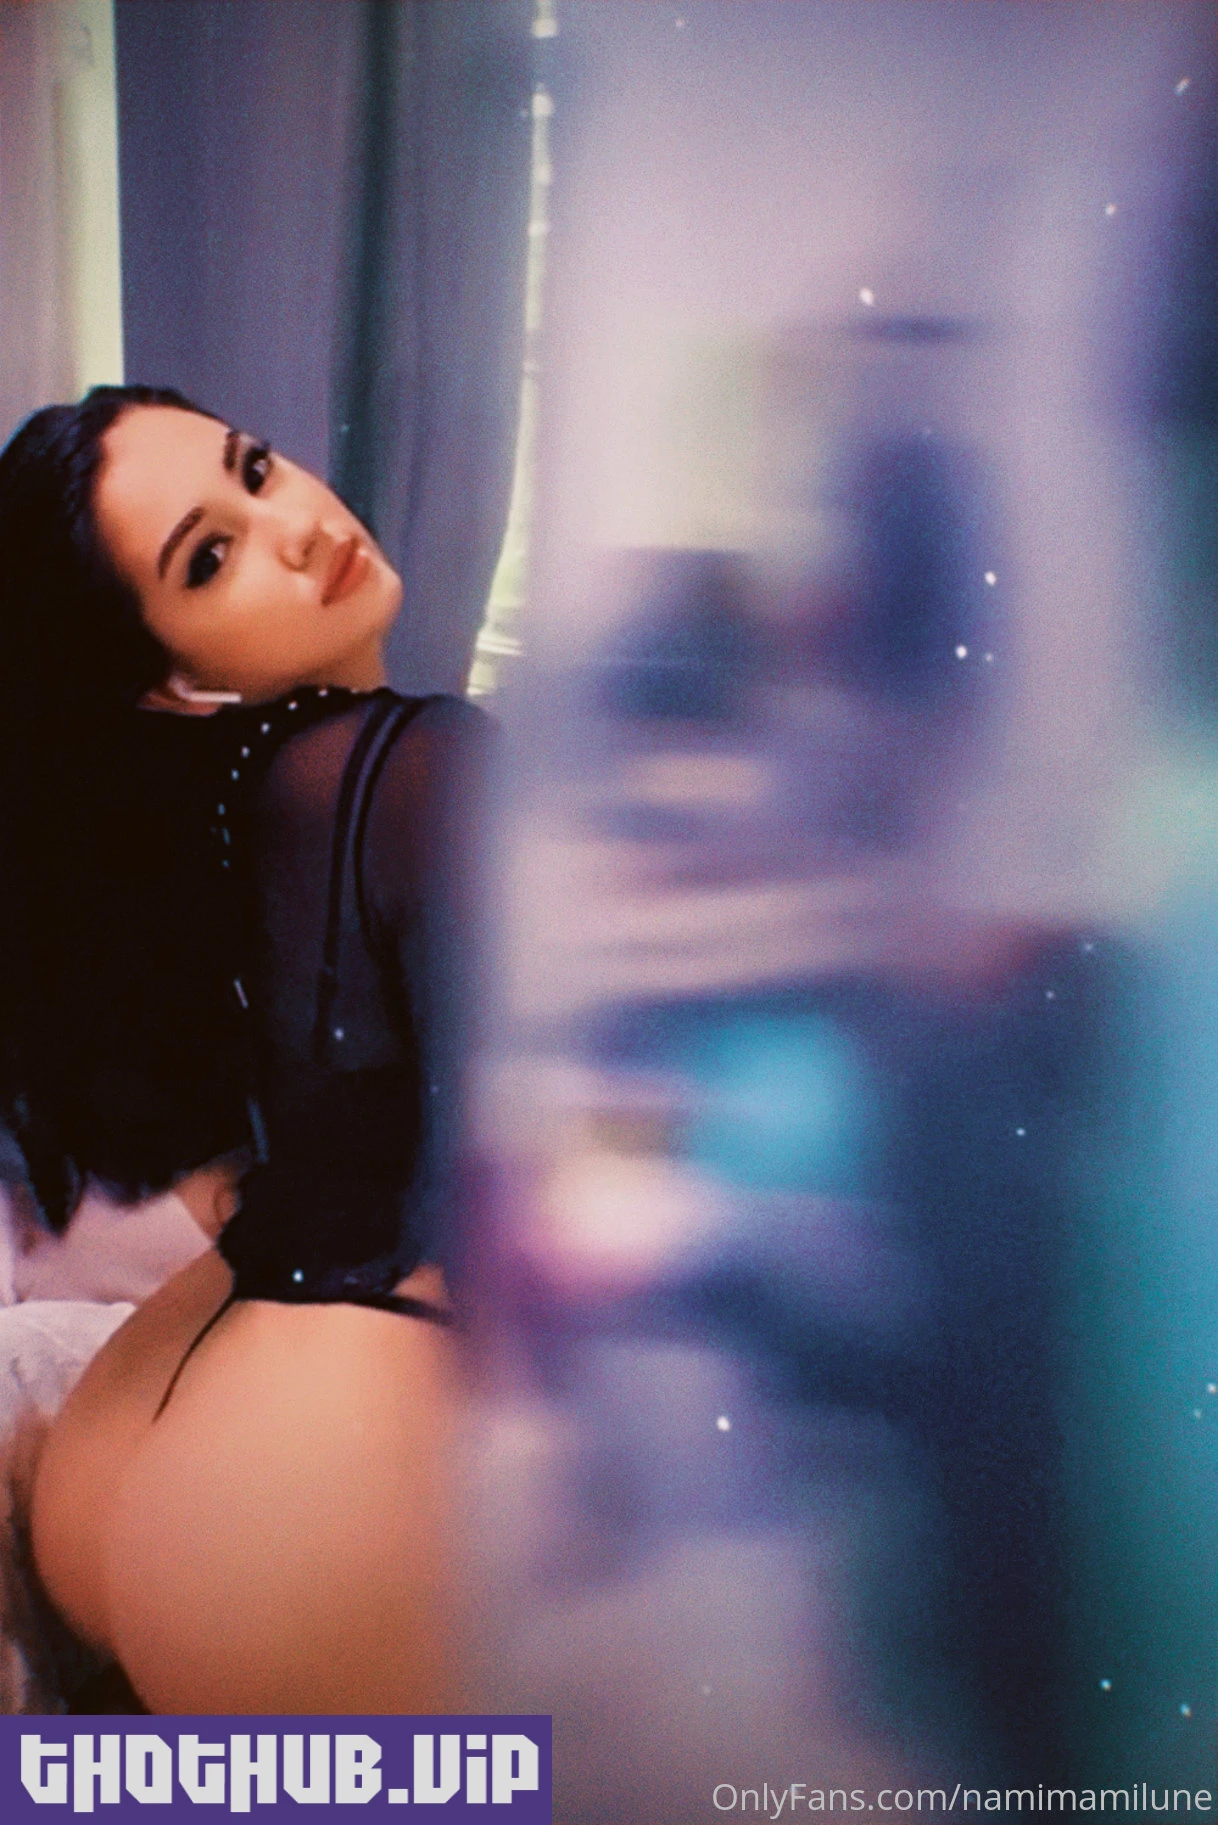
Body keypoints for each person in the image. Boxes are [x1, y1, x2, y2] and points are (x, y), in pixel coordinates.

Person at [0, 384, 491, 1713]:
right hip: (300, 1506)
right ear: (170, 678)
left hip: (132, 1451)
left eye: (256, 470)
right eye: (209, 557)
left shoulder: (191, 814)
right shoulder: (430, 762)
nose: (298, 527)